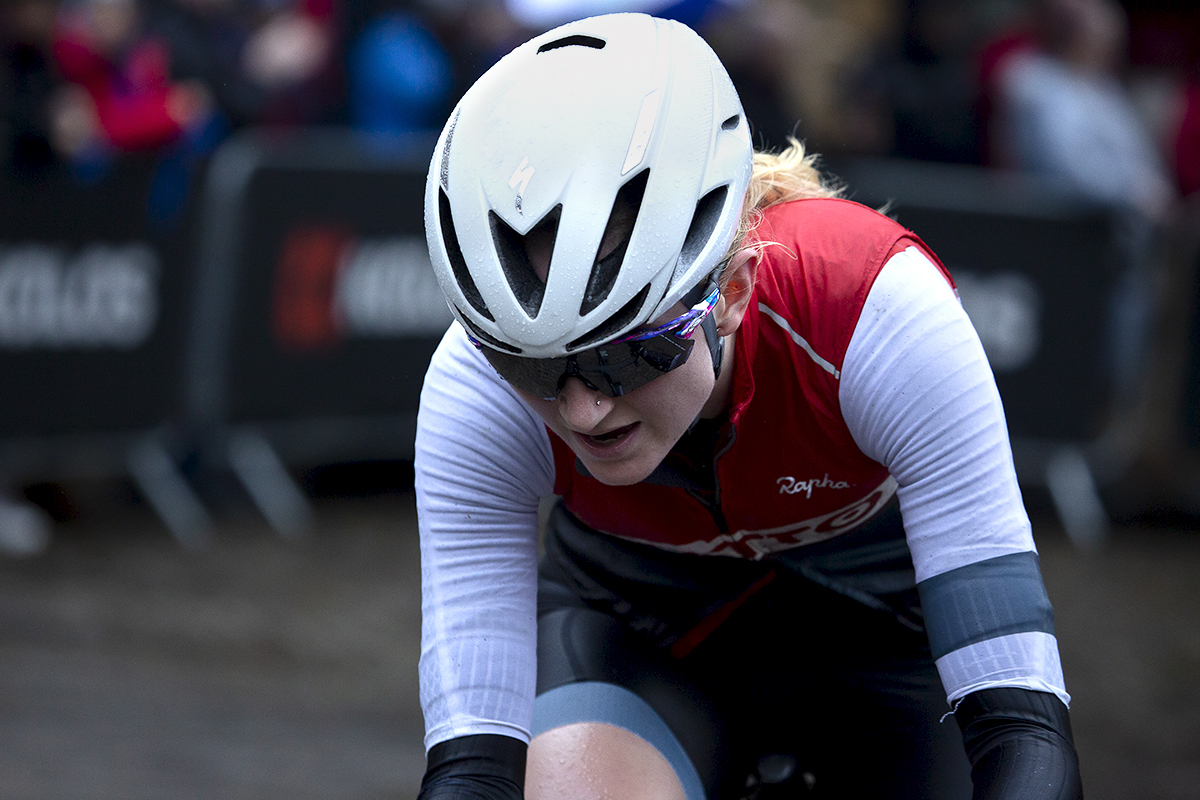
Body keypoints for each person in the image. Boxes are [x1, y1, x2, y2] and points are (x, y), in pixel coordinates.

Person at [414, 13, 1083, 800]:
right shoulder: (474, 384)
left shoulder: (872, 308)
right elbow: (470, 771)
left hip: (888, 637)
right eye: (533, 367)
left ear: (730, 293)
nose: (585, 411)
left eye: (628, 353)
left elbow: (1025, 731)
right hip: (635, 637)